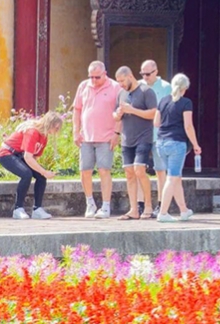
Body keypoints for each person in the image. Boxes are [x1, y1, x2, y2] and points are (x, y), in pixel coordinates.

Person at [73, 61, 119, 219]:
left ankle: (106, 206)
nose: (93, 80)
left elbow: (121, 112)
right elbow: (77, 109)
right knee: (85, 170)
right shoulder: (83, 86)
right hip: (86, 136)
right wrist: (75, 131)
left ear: (105, 73)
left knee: (104, 170)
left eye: (97, 77)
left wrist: (117, 133)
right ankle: (90, 203)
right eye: (91, 77)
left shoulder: (114, 87)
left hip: (106, 137)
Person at [0, 112, 64, 219]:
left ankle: (37, 209)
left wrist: (42, 172)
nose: (57, 131)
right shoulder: (33, 132)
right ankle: (18, 209)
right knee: (26, 174)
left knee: (40, 176)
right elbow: (28, 157)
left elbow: (34, 158)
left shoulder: (44, 137)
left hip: (20, 155)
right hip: (7, 154)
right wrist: (44, 171)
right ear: (49, 124)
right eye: (56, 128)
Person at [154, 73, 200, 223]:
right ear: (185, 88)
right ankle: (163, 212)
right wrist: (195, 144)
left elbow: (156, 122)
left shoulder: (163, 101)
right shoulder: (186, 103)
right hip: (176, 143)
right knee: (172, 178)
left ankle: (184, 210)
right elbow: (188, 125)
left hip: (161, 143)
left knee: (176, 177)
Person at [113, 65, 157, 220]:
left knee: (140, 170)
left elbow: (153, 113)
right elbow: (115, 115)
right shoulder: (121, 94)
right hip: (127, 139)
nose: (121, 84)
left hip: (143, 137)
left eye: (122, 81)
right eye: (118, 82)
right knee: (129, 173)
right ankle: (133, 209)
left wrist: (132, 110)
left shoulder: (146, 92)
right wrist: (118, 114)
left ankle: (148, 206)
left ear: (130, 76)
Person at [141, 60, 171, 218]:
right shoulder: (139, 85)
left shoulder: (166, 87)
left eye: (148, 74)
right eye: (142, 74)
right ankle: (141, 204)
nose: (145, 77)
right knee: (139, 169)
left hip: (159, 134)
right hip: (140, 134)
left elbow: (170, 111)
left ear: (156, 71)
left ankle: (161, 204)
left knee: (160, 170)